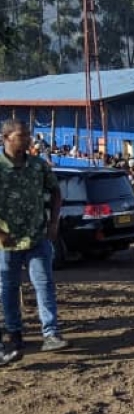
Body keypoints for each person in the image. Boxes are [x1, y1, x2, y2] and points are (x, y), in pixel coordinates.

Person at [0, 119, 69, 365]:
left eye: (28, 134)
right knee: (8, 289)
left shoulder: (38, 166)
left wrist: (53, 223)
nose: (28, 138)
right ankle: (14, 333)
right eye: (22, 135)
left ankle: (50, 333)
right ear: (6, 138)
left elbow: (56, 192)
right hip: (7, 242)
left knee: (44, 284)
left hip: (37, 237)